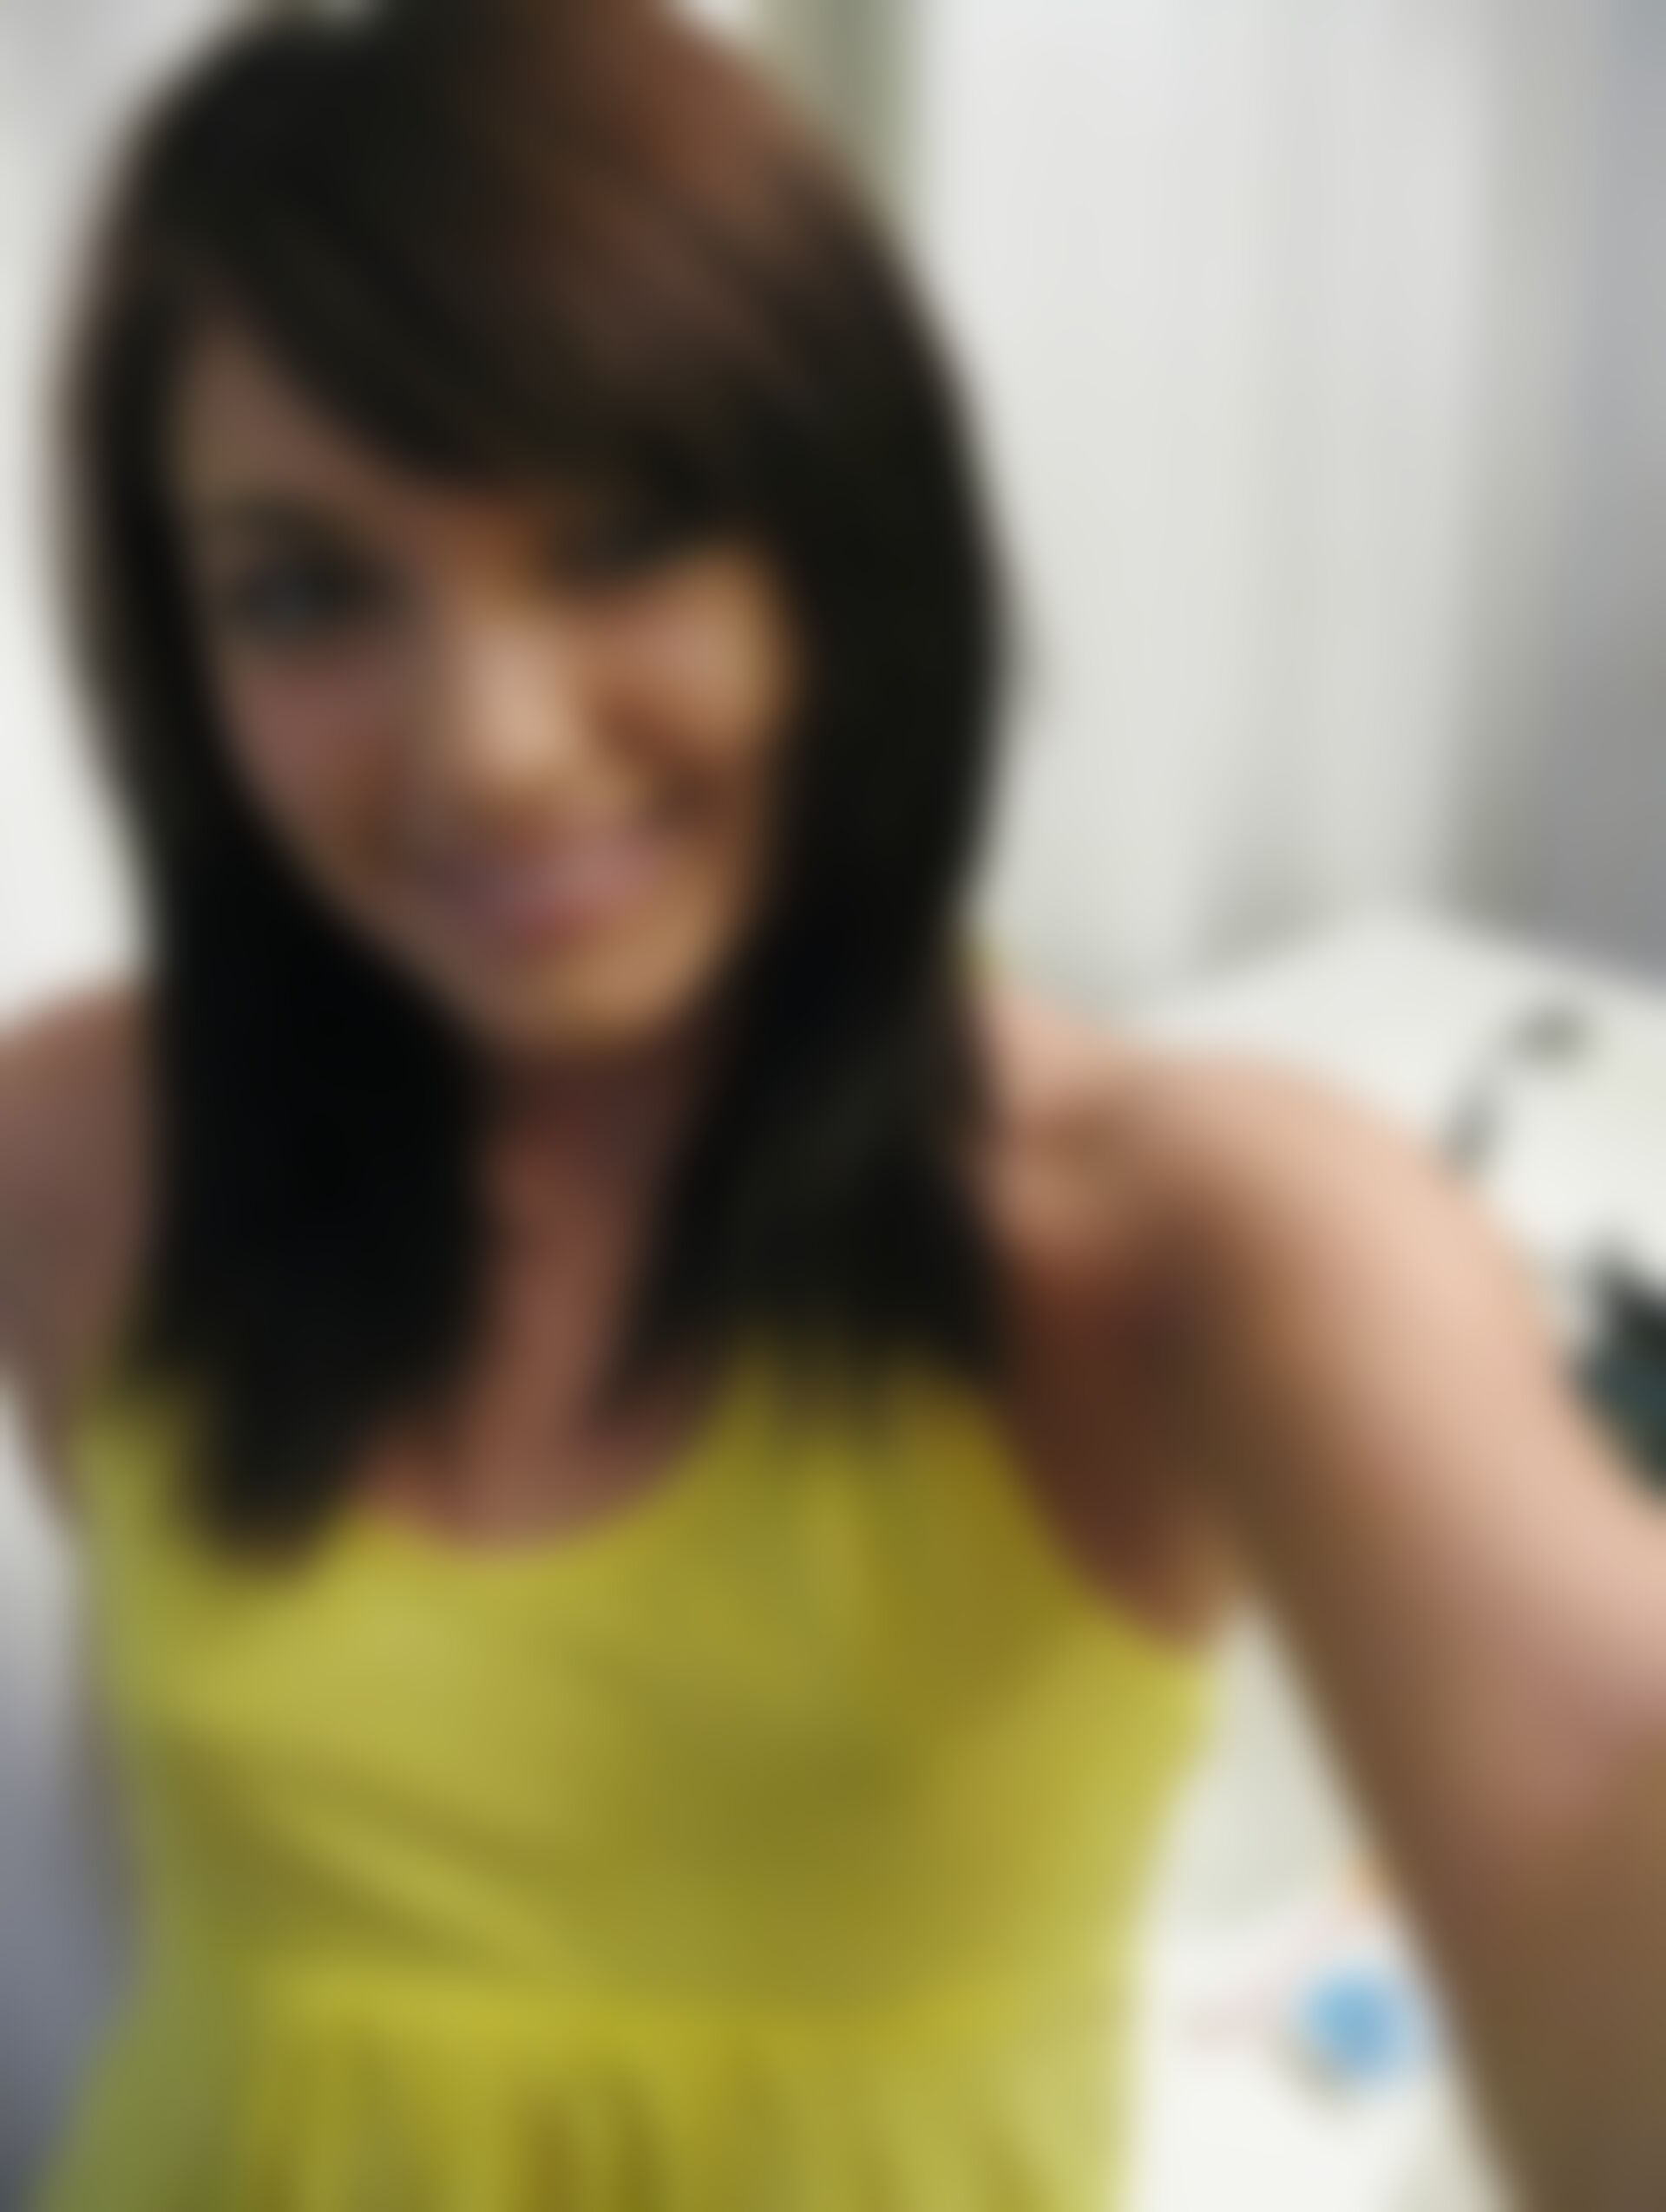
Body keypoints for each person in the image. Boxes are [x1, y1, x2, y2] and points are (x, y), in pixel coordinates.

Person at [5, 2, 1666, 2205]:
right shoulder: (81, 1148)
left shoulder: (1189, 1233)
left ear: (844, 548)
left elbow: (1598, 1788)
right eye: (305, 591)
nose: (491, 750)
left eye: (622, 538)